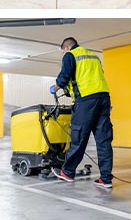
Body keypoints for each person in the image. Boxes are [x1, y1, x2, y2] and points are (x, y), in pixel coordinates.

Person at [50, 37, 114, 189]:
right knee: (104, 140)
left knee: (79, 136)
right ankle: (106, 179)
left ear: (66, 47)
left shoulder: (70, 55)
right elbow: (92, 77)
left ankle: (67, 172)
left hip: (86, 101)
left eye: (63, 51)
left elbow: (64, 76)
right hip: (104, 98)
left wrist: (56, 87)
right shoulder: (93, 56)